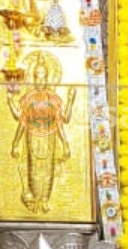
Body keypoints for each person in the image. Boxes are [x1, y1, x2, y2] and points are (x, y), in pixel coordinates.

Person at [7, 53, 76, 214]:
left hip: (49, 137)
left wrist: (71, 100)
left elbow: (63, 120)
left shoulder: (53, 98)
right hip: (32, 137)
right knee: (33, 168)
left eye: (43, 77)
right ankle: (34, 198)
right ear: (33, 77)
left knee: (48, 169)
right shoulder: (29, 98)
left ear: (48, 77)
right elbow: (21, 120)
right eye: (37, 77)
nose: (40, 81)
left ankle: (44, 199)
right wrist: (15, 143)